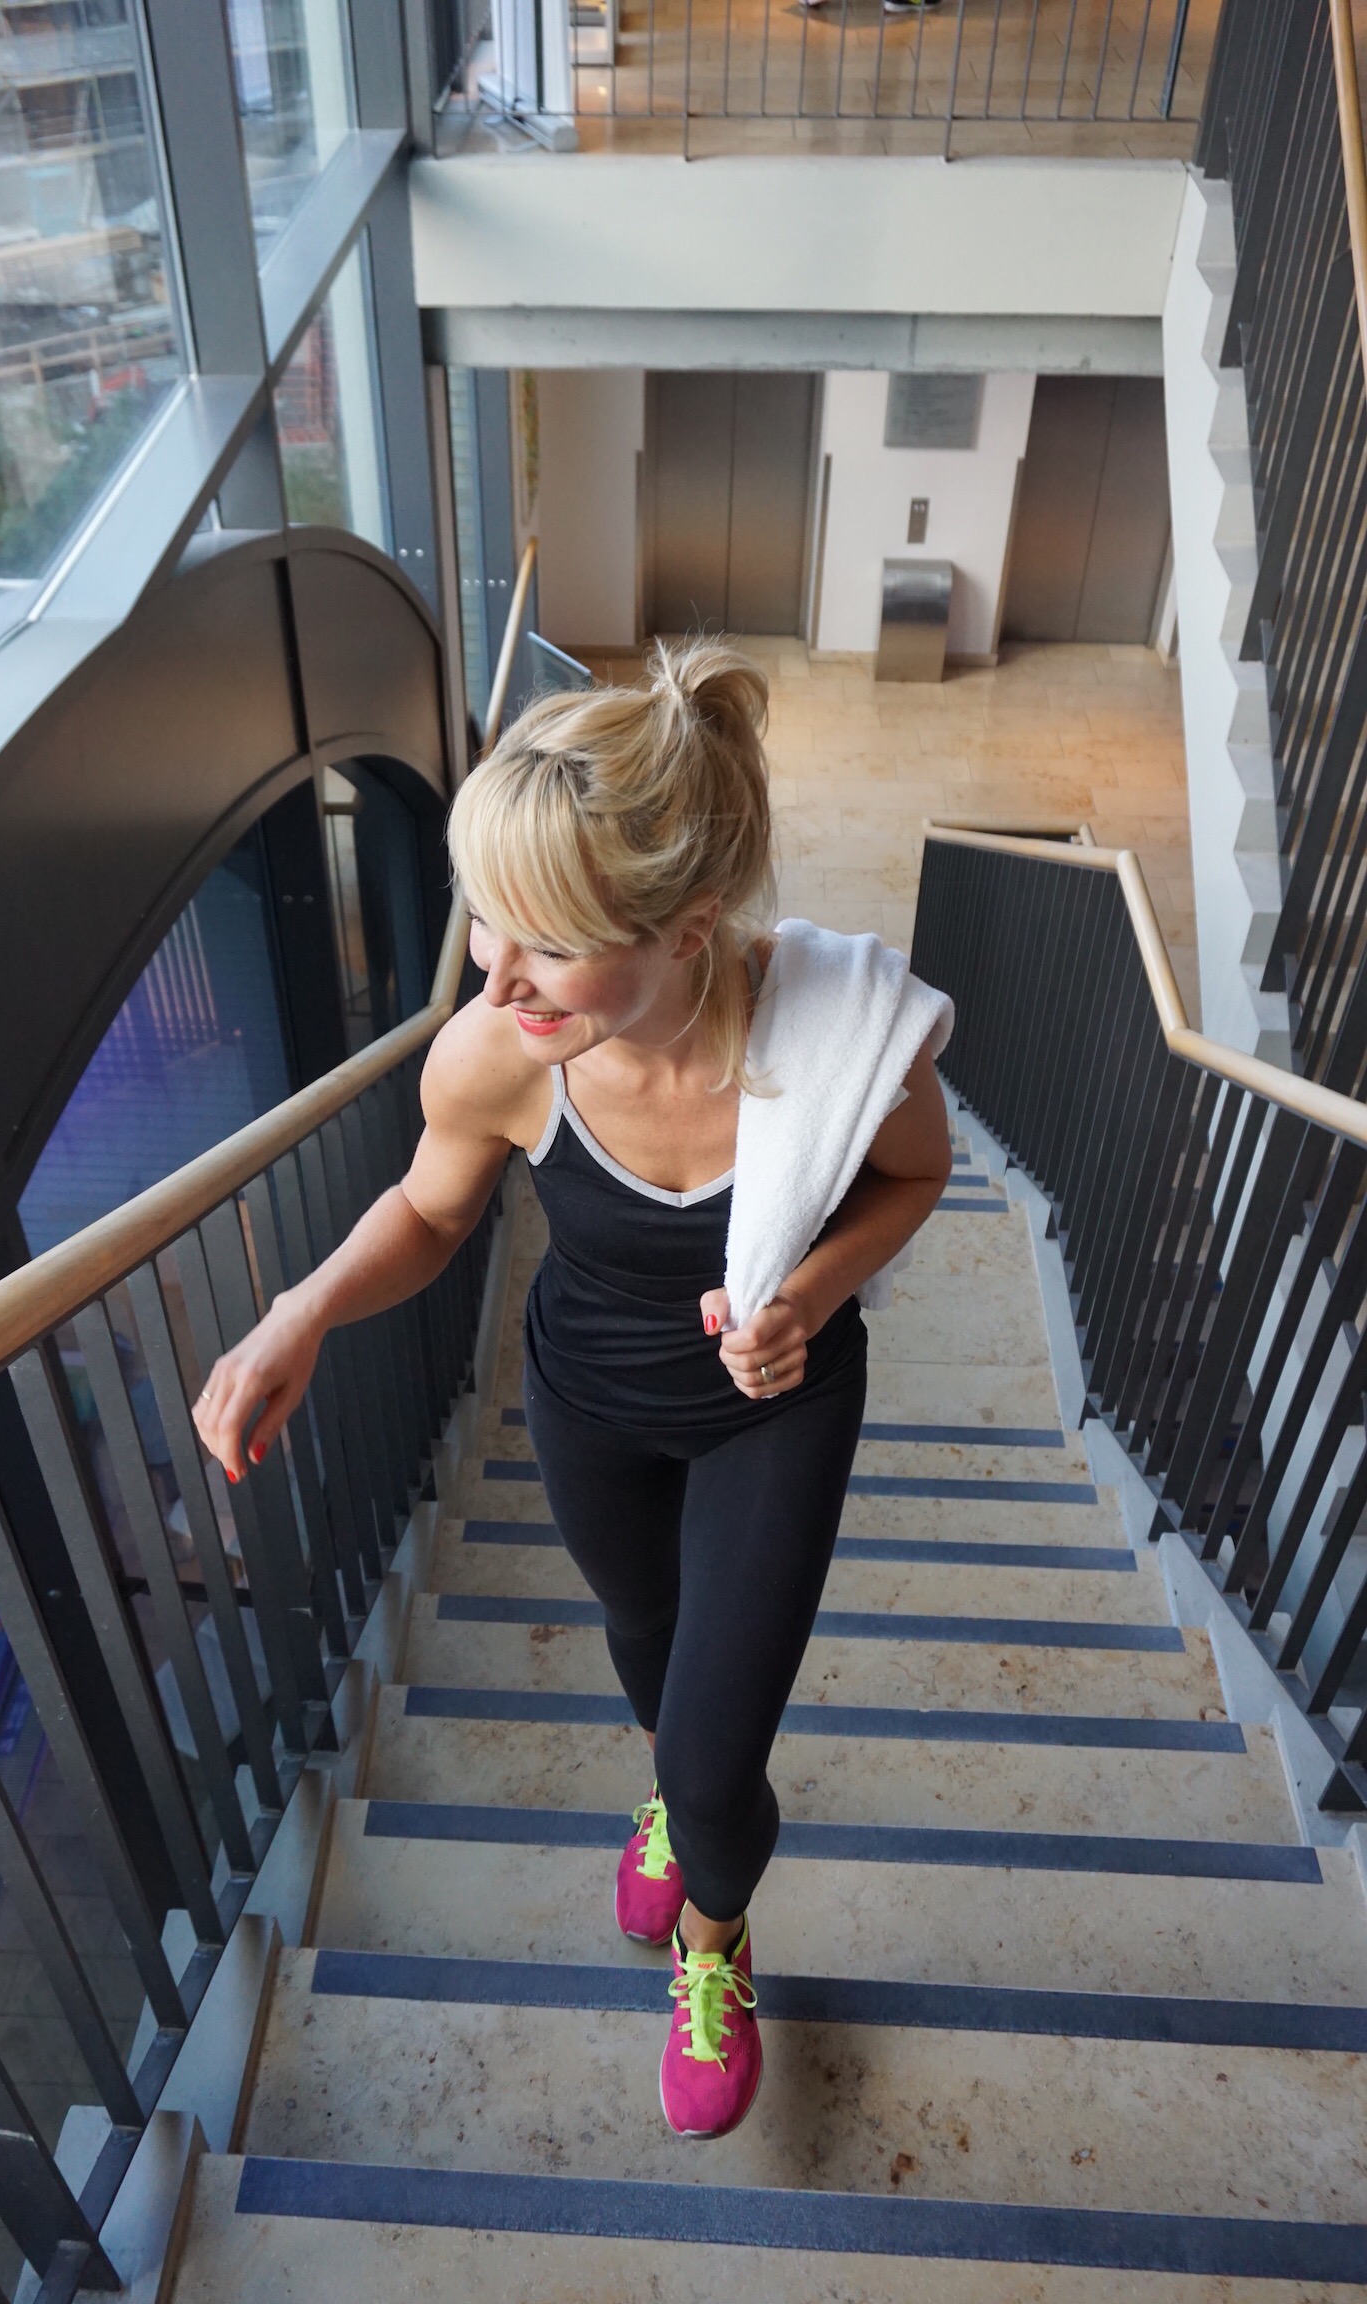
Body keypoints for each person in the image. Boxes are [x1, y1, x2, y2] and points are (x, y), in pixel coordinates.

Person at [193, 642, 952, 2140]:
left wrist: (810, 1295)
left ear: (684, 929)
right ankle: (670, 1800)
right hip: (588, 1405)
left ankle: (714, 1942)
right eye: (486, 917)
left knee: (717, 1758)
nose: (494, 974)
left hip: (775, 1412)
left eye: (545, 941)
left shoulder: (846, 1043)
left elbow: (915, 1177)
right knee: (644, 1634)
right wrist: (302, 1311)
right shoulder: (502, 1057)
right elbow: (429, 1214)